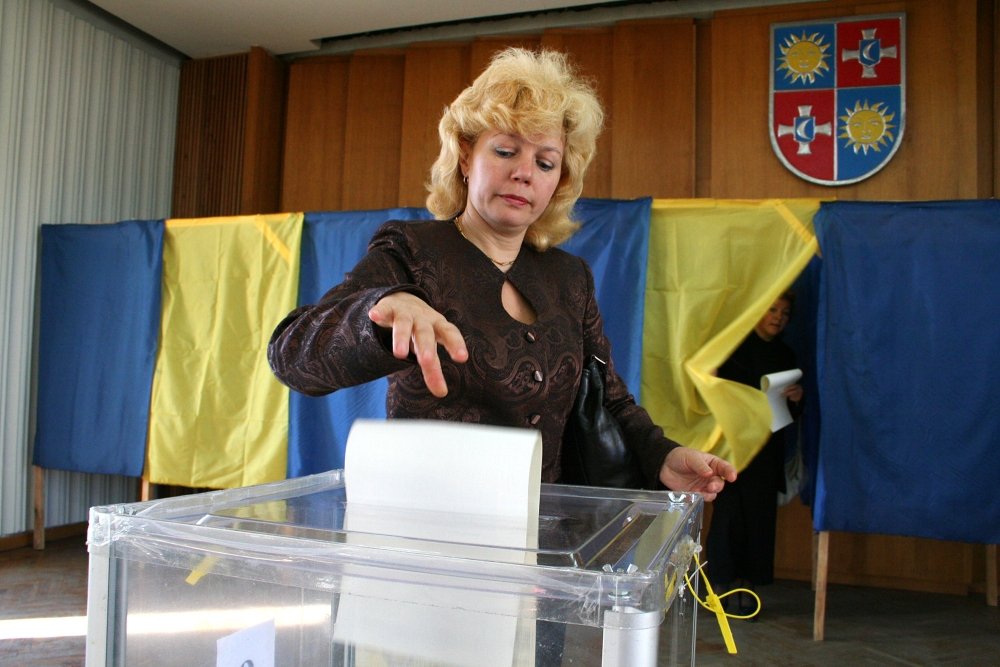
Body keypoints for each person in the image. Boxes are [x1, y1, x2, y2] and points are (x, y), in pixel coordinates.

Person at [267, 47, 735, 499]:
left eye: (545, 162)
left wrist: (661, 455)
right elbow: (291, 355)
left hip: (544, 536)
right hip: (428, 531)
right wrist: (380, 309)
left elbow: (610, 400)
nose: (524, 173)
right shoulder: (413, 250)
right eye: (506, 151)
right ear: (467, 157)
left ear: (559, 183)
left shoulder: (570, 278)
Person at [706, 292, 803, 616]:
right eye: (773, 309)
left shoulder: (786, 354)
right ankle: (721, 586)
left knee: (759, 520)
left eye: (786, 313)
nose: (778, 317)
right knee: (728, 518)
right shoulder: (736, 349)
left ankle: (748, 587)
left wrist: (796, 398)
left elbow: (791, 414)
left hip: (766, 450)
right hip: (733, 447)